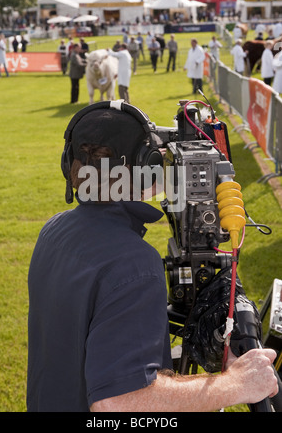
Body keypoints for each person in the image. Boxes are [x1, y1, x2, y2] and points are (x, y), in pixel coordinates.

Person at [26, 101, 278, 412]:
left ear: (71, 163)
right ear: (145, 167)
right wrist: (237, 384)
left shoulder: (53, 229)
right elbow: (118, 403)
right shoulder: (133, 265)